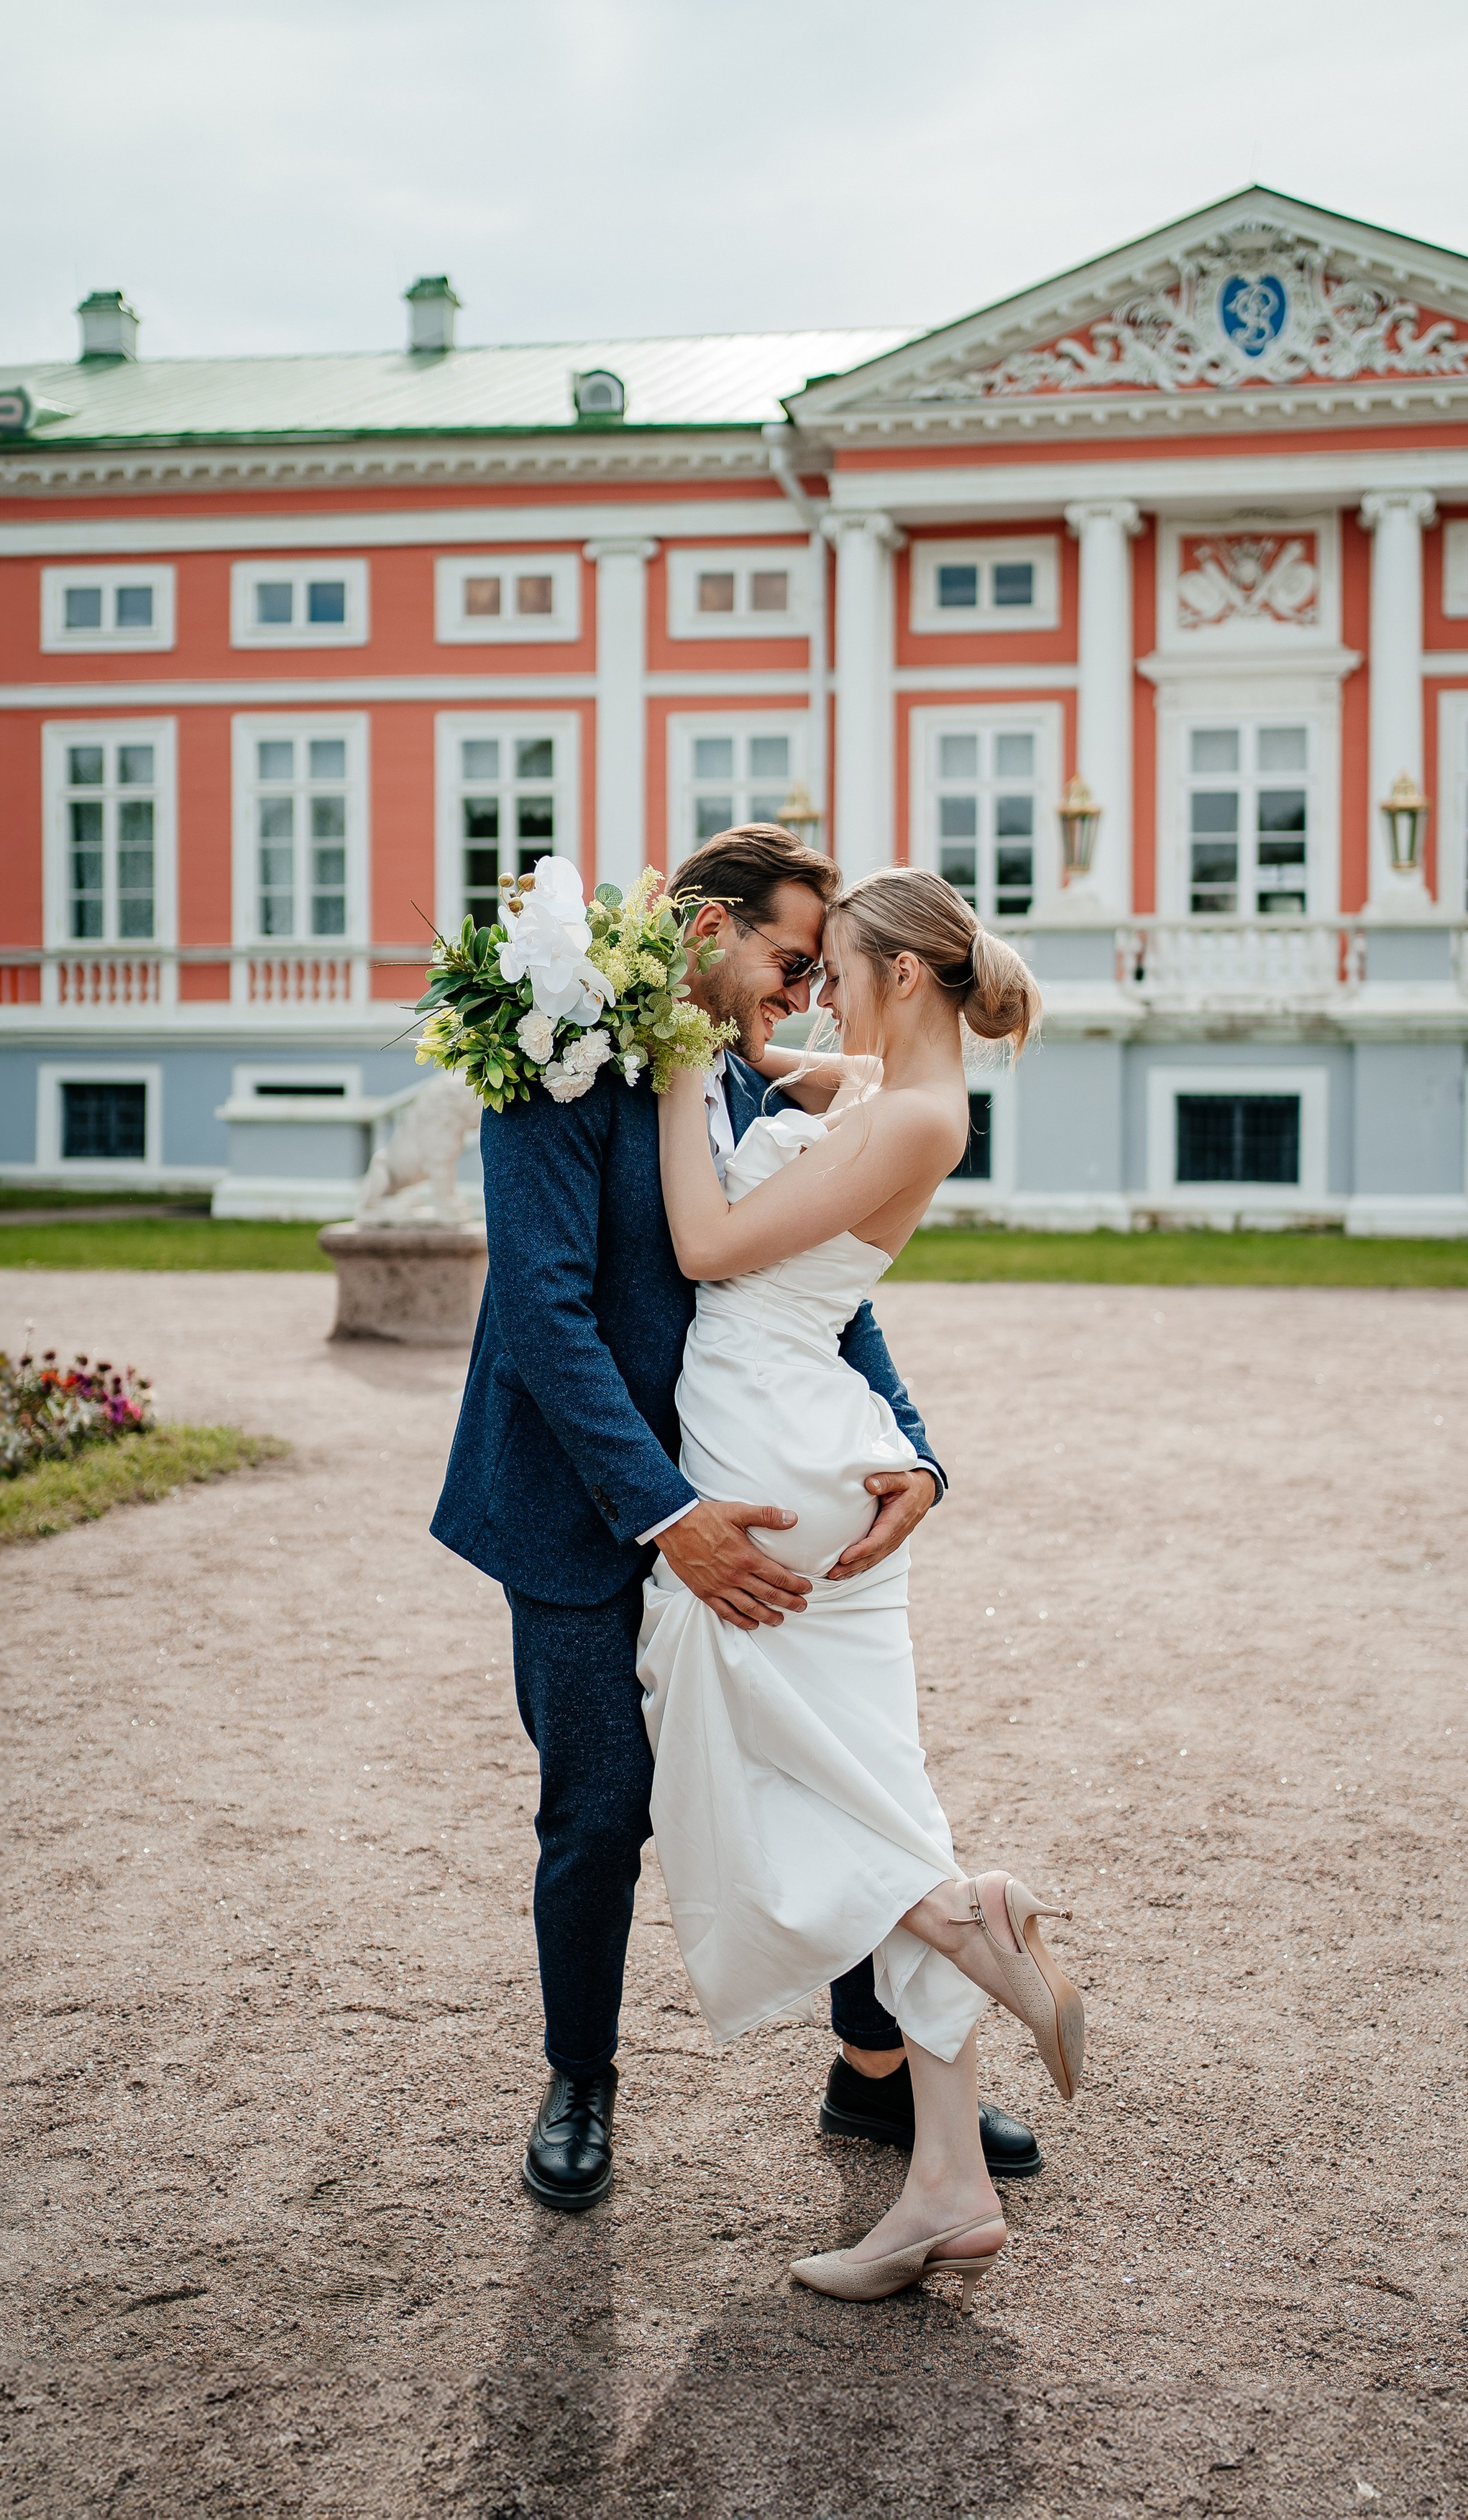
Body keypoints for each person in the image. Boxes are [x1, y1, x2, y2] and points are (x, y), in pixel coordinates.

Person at [430, 824, 1041, 2210]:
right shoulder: (557, 1051)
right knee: (601, 1809)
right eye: (793, 960)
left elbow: (824, 1294)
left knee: (821, 1761)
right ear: (709, 928)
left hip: (744, 1478)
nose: (808, 992)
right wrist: (666, 1514)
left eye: (825, 968)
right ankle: (580, 2077)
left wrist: (917, 1454)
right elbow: (543, 1313)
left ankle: (871, 2071)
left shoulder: (758, 1085)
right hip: (580, 1505)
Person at [638, 868, 1083, 2308]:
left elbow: (706, 1246)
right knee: (881, 1796)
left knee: (766, 1763)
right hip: (808, 1433)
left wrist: (669, 1063)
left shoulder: (913, 1112)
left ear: (899, 970)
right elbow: (784, 1070)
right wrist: (735, 1035)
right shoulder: (893, 1085)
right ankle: (947, 2184)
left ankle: (960, 1918)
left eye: (833, 965)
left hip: (760, 1429)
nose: (816, 991)